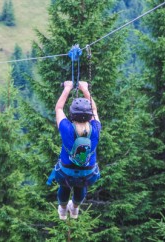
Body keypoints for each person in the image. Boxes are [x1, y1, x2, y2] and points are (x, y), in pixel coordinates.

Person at [53, 80, 101, 220]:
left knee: (65, 186)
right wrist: (85, 89)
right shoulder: (96, 129)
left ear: (72, 115)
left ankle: (62, 210)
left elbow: (59, 108)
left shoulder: (66, 128)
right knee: (81, 186)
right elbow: (95, 110)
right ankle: (74, 208)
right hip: (88, 173)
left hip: (65, 173)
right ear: (90, 115)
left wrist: (67, 88)